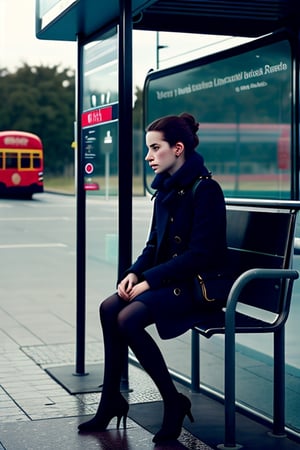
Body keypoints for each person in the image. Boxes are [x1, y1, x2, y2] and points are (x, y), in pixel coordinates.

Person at [78, 113, 228, 443]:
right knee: (109, 307)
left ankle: (172, 402)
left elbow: (199, 255)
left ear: (177, 148)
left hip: (198, 286)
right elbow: (152, 245)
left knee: (129, 318)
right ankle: (112, 400)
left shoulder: (206, 190)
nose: (148, 156)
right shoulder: (165, 192)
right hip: (172, 281)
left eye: (154, 148)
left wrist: (150, 281)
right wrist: (133, 273)